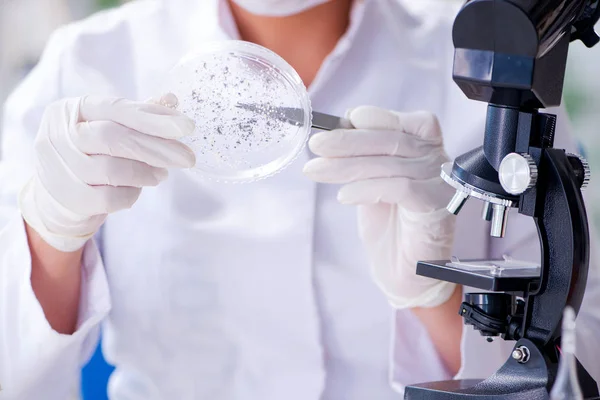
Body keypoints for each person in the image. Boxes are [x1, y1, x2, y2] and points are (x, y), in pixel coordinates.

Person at [1, 0, 599, 399]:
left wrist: (432, 295)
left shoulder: (493, 71)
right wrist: (49, 237)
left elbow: (576, 360)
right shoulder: (87, 64)